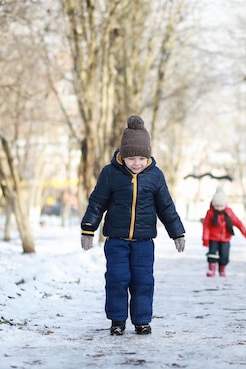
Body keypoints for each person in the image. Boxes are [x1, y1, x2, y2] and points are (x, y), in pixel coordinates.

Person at [80, 115, 186, 336]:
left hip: (143, 243)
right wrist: (88, 228)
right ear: (122, 156)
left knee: (143, 282)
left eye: (141, 158)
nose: (136, 163)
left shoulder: (155, 176)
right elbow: (97, 202)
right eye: (131, 158)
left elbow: (166, 206)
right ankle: (117, 320)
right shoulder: (110, 174)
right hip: (116, 241)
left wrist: (177, 233)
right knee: (117, 279)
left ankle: (141, 320)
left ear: (148, 156)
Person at [202, 186, 246, 277]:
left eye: (221, 206)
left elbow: (237, 222)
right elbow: (206, 226)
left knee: (224, 255)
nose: (219, 208)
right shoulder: (210, 213)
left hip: (225, 238)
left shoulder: (229, 212)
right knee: (212, 254)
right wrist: (205, 238)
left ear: (225, 204)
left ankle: (222, 270)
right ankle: (212, 270)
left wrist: (244, 232)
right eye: (217, 206)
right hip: (213, 238)